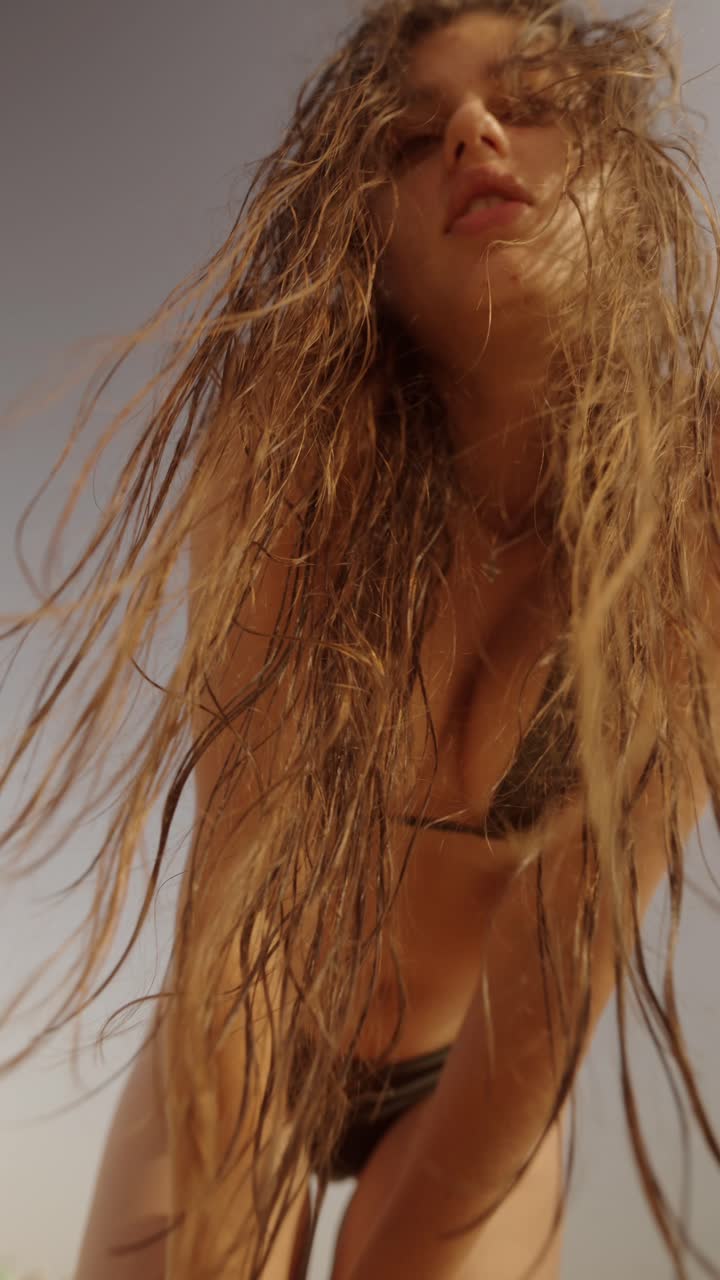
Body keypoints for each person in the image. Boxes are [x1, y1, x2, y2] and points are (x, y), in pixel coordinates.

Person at [2, 1, 720, 1278]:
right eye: (408, 134)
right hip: (244, 1035)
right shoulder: (297, 449)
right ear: (369, 240)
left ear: (621, 167)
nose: (474, 131)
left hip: (475, 1068)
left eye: (532, 102)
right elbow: (238, 909)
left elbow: (566, 953)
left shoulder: (697, 503)